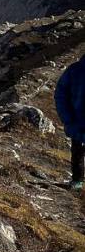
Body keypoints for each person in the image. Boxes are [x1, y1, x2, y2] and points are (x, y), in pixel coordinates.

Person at [54, 55, 85, 192]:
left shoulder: (75, 69)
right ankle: (78, 182)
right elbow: (61, 94)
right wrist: (68, 119)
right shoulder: (75, 70)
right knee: (78, 153)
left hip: (76, 122)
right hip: (79, 123)